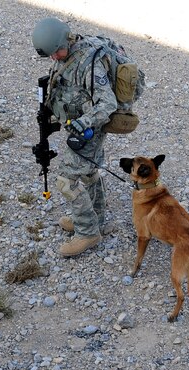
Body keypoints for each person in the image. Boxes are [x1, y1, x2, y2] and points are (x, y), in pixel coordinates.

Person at [32, 17, 138, 257]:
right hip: (80, 124)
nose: (54, 57)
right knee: (89, 173)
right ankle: (96, 220)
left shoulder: (88, 64)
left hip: (90, 127)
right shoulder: (67, 54)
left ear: (66, 40)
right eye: (51, 54)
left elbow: (107, 103)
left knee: (66, 181)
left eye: (56, 52)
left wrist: (83, 123)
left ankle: (87, 232)